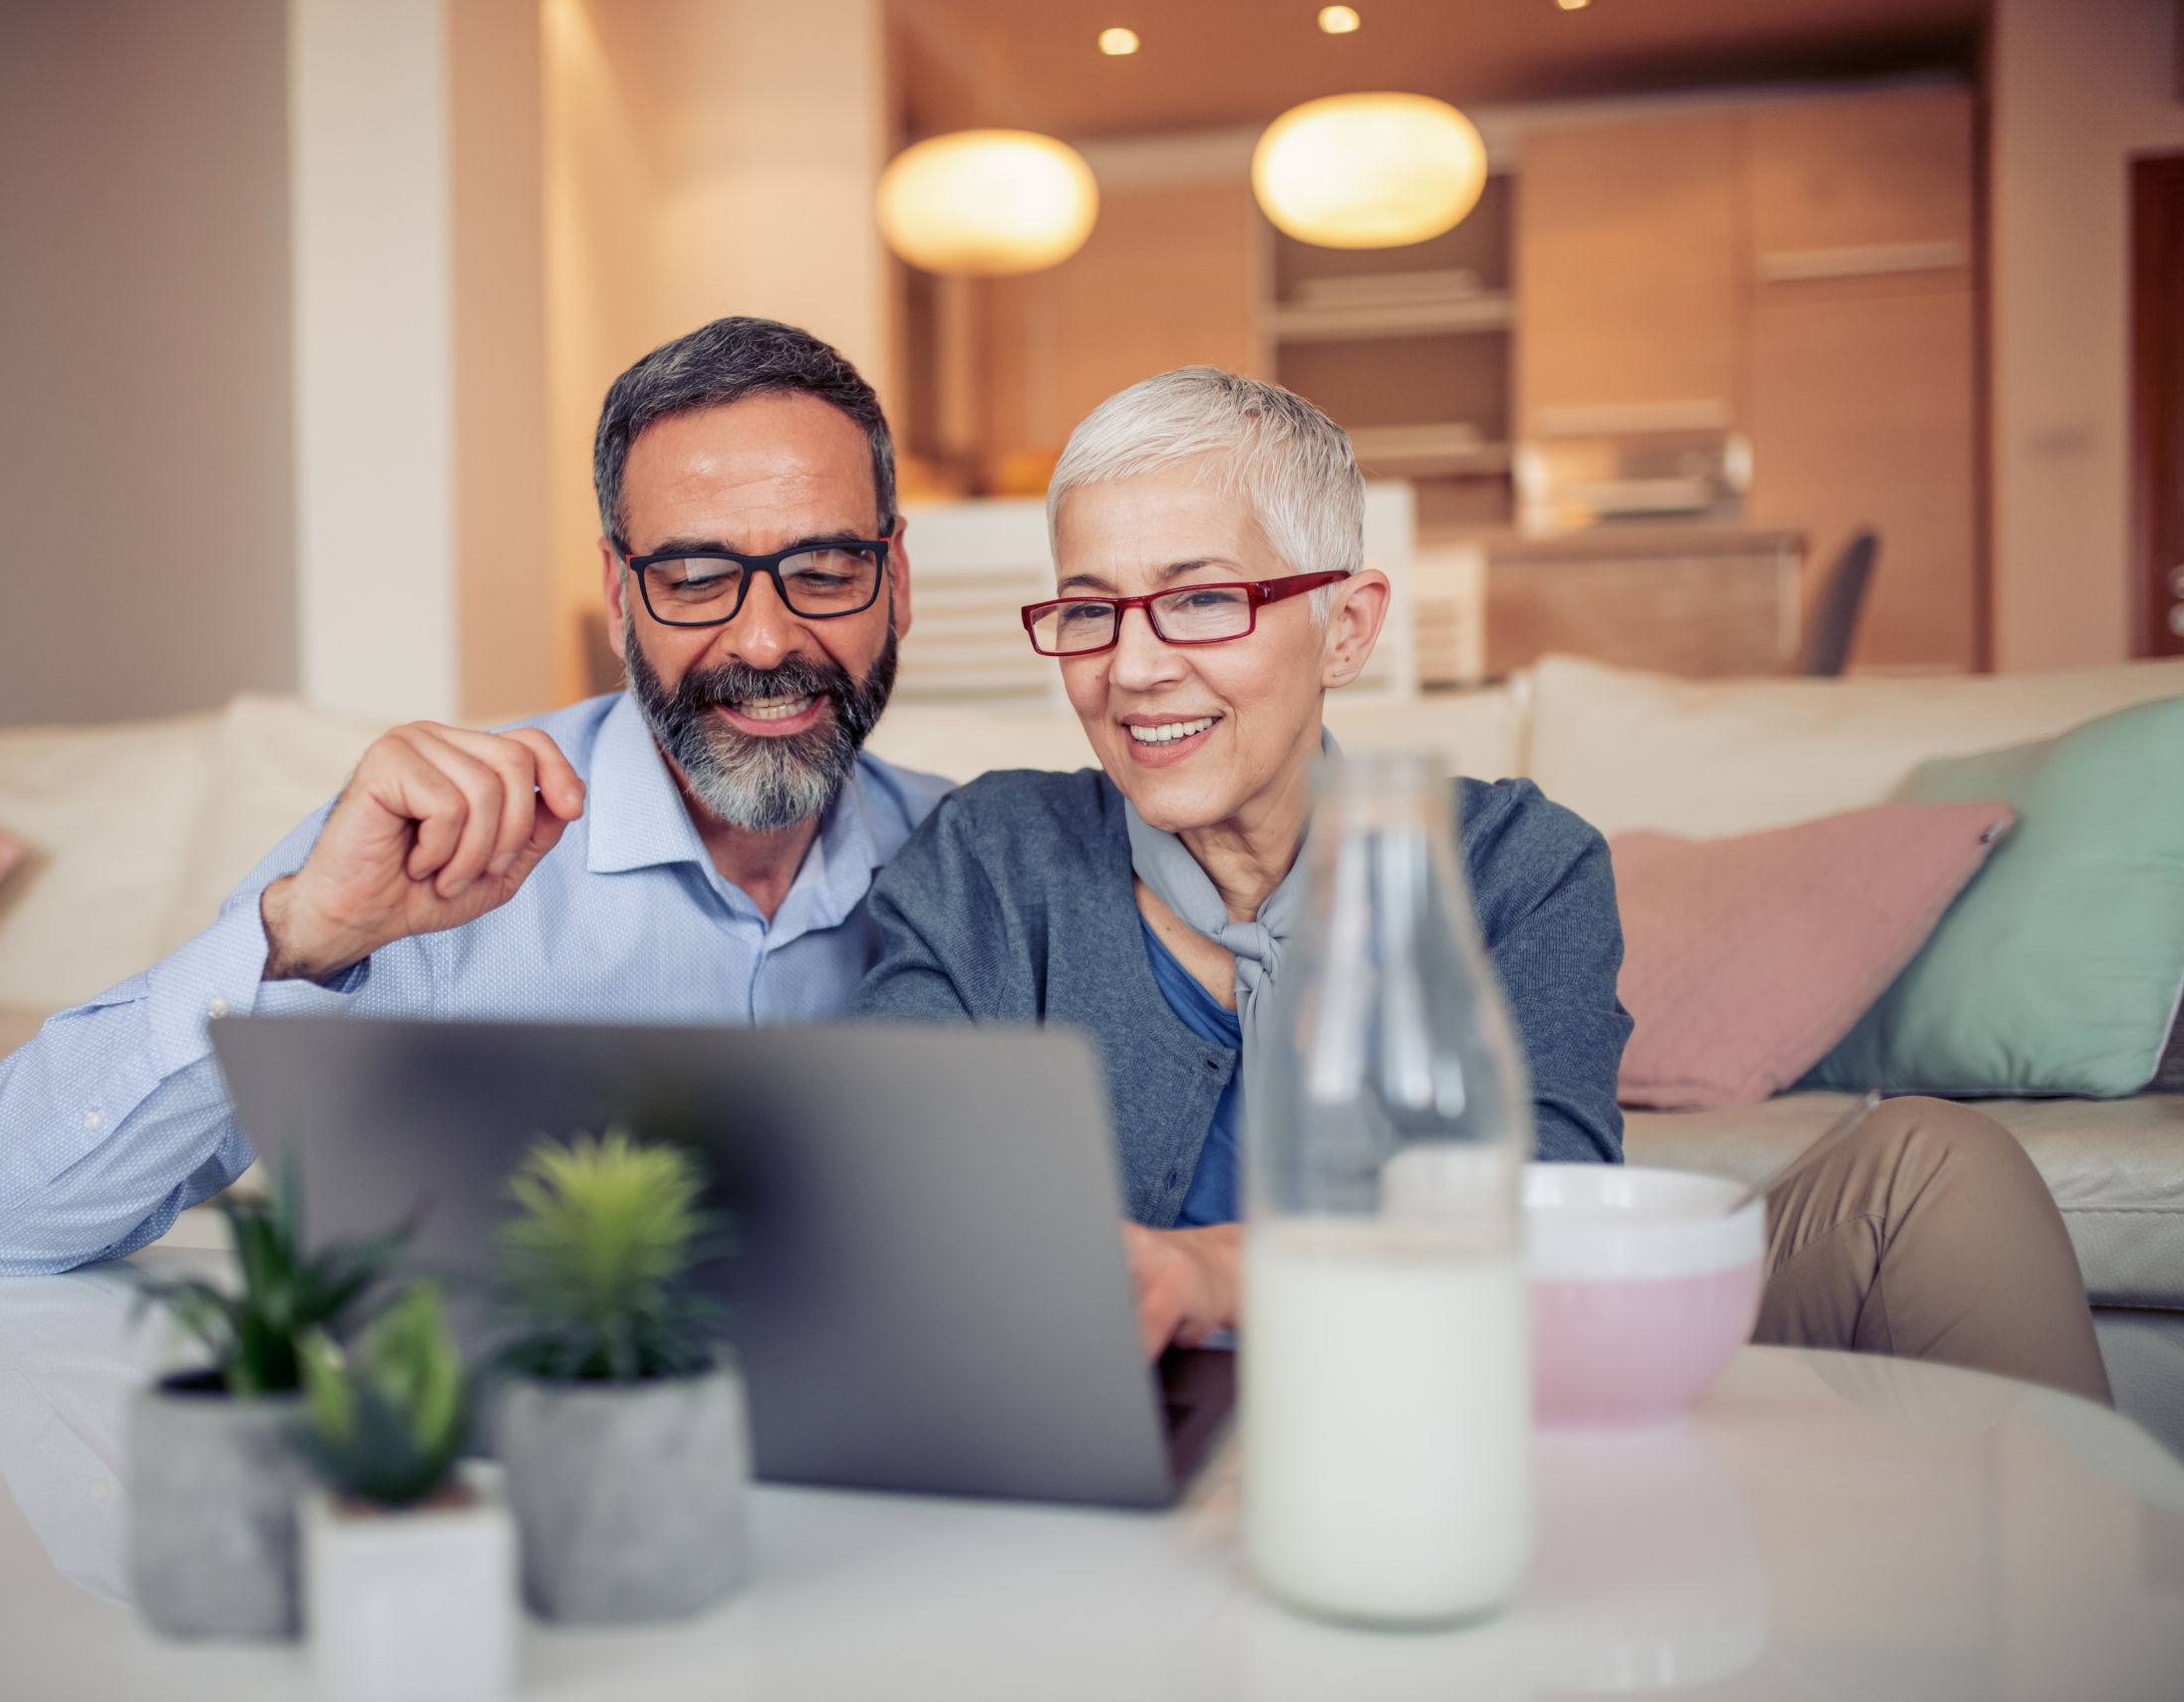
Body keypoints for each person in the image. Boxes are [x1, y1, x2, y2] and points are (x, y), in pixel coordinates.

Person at [851, 366, 2114, 1405]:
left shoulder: (1515, 863)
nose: (1130, 669)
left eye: (1201, 601)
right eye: (1088, 614)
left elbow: (1538, 1218)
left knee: (1937, 1166)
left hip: (1479, 1404)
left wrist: (1216, 1274)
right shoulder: (989, 857)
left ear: (1345, 628)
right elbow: (886, 1191)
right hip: (1142, 1452)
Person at [0, 317, 948, 1275]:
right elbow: (3, 1221)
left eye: (823, 570)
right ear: (618, 596)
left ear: (896, 577)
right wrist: (299, 935)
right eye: (692, 578)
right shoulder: (437, 847)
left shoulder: (976, 862)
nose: (764, 641)